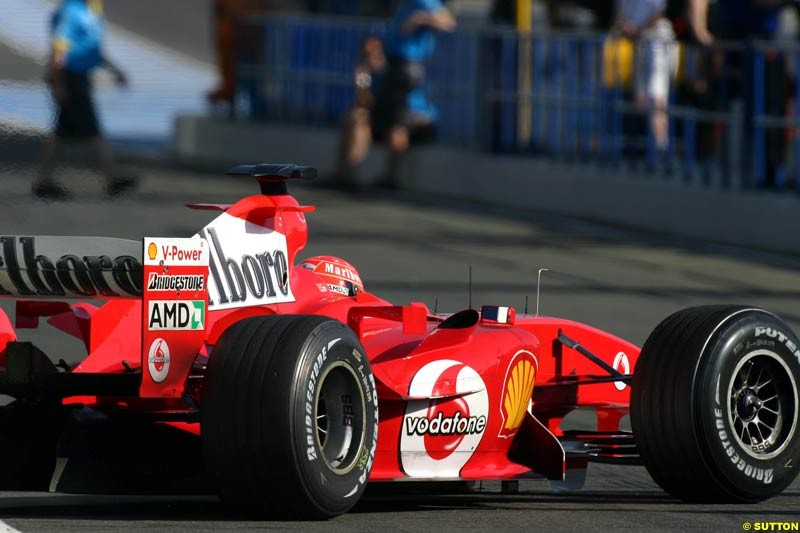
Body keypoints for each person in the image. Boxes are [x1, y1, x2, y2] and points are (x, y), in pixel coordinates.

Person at [36, 0, 137, 200]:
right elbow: (59, 49)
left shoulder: (86, 11)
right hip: (70, 78)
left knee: (61, 133)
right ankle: (111, 178)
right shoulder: (73, 12)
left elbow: (90, 48)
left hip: (75, 77)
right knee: (90, 130)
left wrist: (115, 70)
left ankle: (43, 182)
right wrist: (59, 84)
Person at [371, 0, 456, 188]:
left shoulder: (423, 2)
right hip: (396, 65)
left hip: (405, 67)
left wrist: (419, 19)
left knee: (398, 120)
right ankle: (389, 173)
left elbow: (448, 22)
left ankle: (391, 176)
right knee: (391, 118)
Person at [613, 0, 677, 161]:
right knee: (640, 98)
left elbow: (658, 13)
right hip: (639, 40)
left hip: (657, 39)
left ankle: (661, 146)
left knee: (657, 96)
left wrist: (636, 28)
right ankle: (649, 145)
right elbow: (620, 15)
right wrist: (626, 27)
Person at [334, 36, 387, 187]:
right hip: (371, 116)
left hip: (384, 117)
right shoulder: (364, 72)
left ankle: (351, 171)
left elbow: (371, 102)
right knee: (351, 119)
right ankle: (341, 172)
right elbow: (362, 101)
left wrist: (362, 84)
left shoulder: (386, 72)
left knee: (358, 119)